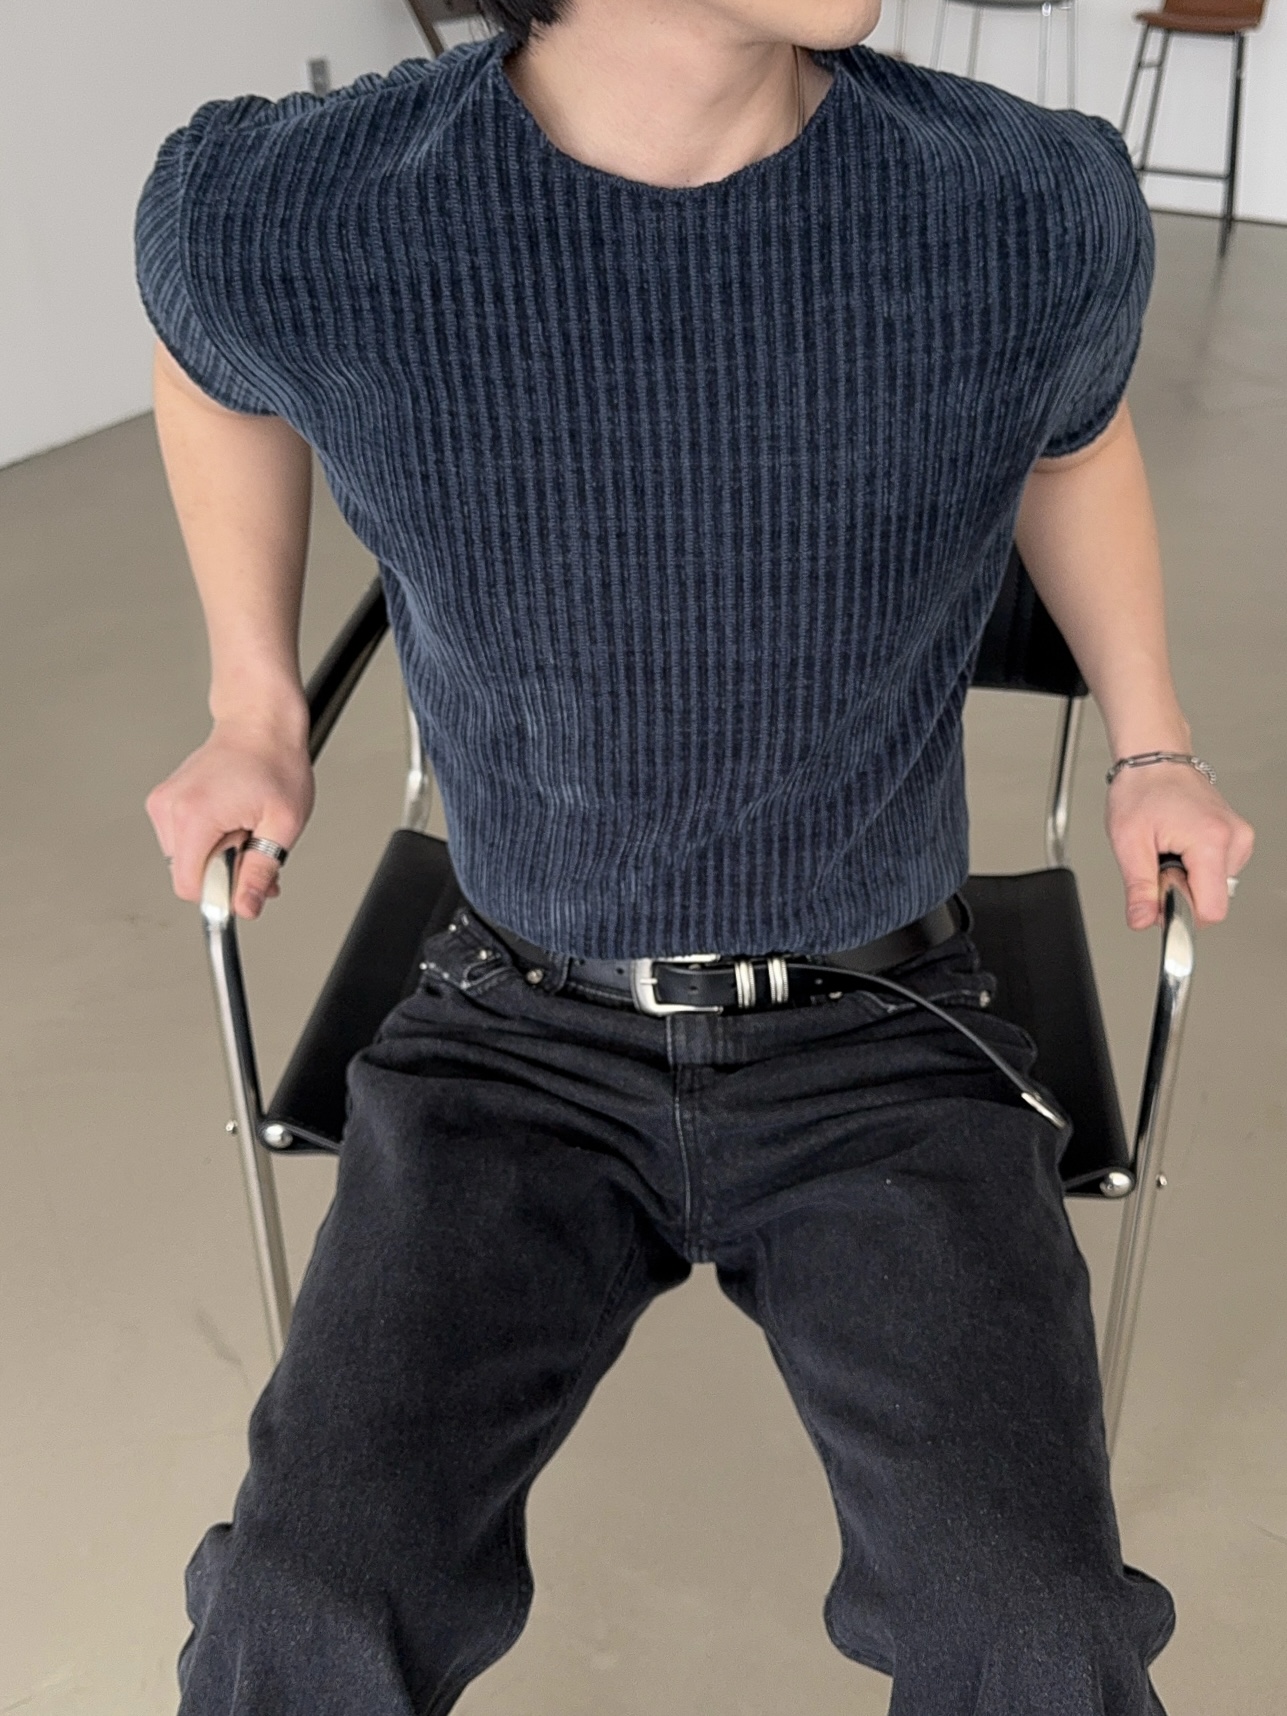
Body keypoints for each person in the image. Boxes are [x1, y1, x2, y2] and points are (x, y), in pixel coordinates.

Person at [137, 0, 1254, 1710]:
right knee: (300, 1611)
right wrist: (253, 704)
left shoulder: (1024, 206)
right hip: (510, 1026)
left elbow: (1075, 438)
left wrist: (1152, 742)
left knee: (1036, 1637)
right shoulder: (313, 209)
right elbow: (206, 354)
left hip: (884, 1031)